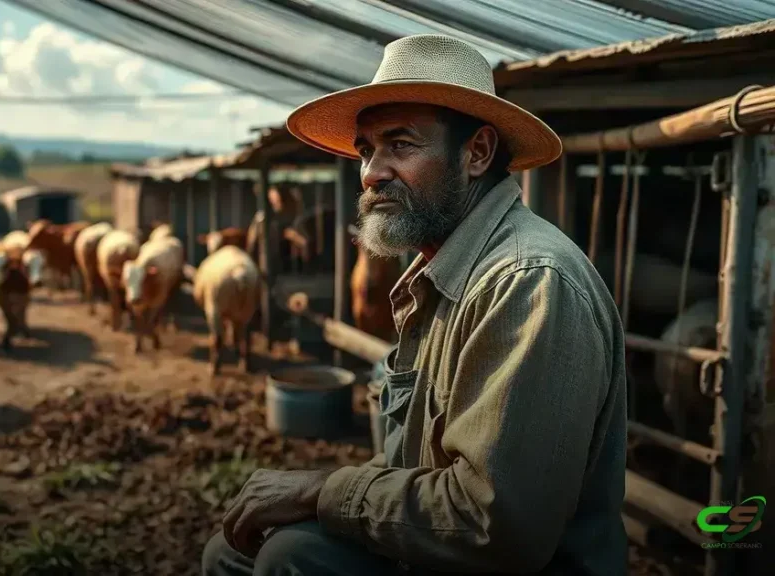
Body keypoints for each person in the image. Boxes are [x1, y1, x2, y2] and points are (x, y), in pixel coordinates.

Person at [201, 34, 628, 576]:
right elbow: (415, 461)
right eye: (366, 150)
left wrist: (323, 491)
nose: (371, 173)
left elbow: (495, 525)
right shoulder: (442, 272)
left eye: (400, 145)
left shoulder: (526, 283)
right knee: (230, 553)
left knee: (292, 557)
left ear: (476, 154)